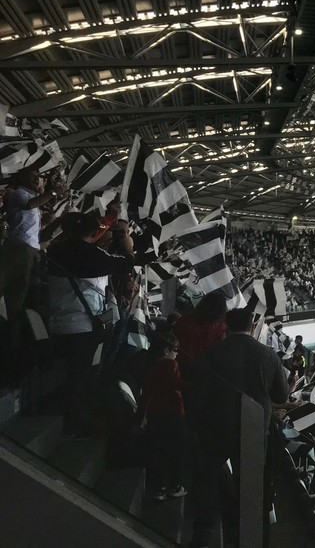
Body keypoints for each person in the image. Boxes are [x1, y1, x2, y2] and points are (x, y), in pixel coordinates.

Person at [187, 307, 290, 548]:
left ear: (226, 325)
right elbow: (281, 394)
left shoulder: (211, 353)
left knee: (208, 480)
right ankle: (251, 537)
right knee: (252, 486)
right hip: (253, 429)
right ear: (252, 326)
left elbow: (197, 393)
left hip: (215, 428)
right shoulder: (268, 355)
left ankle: (204, 533)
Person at [45, 212, 135, 437]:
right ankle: (73, 421)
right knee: (80, 375)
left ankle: (64, 410)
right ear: (96, 232)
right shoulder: (94, 257)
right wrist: (127, 246)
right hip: (83, 326)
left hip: (57, 321)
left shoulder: (56, 250)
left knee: (69, 371)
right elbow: (126, 264)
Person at [0, 167, 67, 358]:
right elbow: (28, 205)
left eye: (38, 176)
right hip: (19, 249)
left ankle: (17, 336)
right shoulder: (16, 193)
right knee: (15, 291)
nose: (37, 179)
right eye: (34, 176)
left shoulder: (33, 197)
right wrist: (52, 192)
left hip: (30, 250)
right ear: (20, 178)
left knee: (27, 292)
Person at [138, 332, 187, 500]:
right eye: (175, 349)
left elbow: (146, 394)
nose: (177, 353)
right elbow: (175, 383)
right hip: (173, 413)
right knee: (176, 452)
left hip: (155, 414)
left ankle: (159, 488)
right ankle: (175, 486)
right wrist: (193, 385)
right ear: (166, 351)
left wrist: (140, 417)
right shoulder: (170, 364)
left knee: (158, 452)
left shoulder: (149, 366)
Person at [172, 291, 227, 379]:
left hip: (180, 366)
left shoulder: (185, 320)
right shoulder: (221, 329)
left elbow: (173, 339)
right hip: (204, 371)